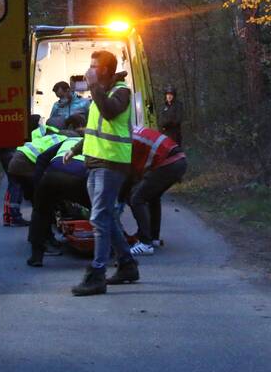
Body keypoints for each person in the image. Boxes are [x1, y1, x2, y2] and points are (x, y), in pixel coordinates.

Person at [63, 50, 140, 296]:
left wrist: (94, 86)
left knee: (98, 218)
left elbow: (109, 111)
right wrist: (76, 149)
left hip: (112, 163)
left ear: (105, 70)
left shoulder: (121, 92)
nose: (90, 69)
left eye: (94, 66)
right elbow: (94, 130)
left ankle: (97, 274)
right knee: (107, 217)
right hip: (95, 162)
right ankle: (127, 265)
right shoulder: (100, 92)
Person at [26, 132, 88, 267]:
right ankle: (114, 251)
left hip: (52, 174)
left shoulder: (67, 141)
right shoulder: (92, 140)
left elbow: (41, 159)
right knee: (100, 211)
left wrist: (38, 189)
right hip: (79, 174)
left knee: (40, 212)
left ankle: (36, 256)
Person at [123, 126, 187, 256]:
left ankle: (145, 243)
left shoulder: (125, 140)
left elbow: (132, 173)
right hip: (179, 160)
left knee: (137, 198)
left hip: (169, 163)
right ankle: (153, 238)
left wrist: (121, 194)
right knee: (152, 197)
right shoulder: (131, 131)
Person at [1, 115, 66, 226]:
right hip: (24, 162)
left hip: (17, 157)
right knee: (36, 190)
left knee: (15, 186)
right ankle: (18, 218)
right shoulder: (60, 139)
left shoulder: (43, 133)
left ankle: (10, 216)